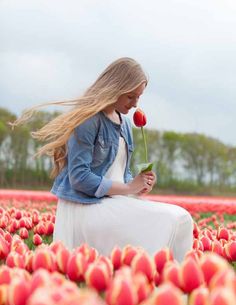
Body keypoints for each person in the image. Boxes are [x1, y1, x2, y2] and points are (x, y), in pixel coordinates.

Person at [16, 57, 193, 261]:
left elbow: (120, 173)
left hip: (115, 202)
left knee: (182, 218)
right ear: (114, 89)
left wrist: (138, 184)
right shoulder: (88, 121)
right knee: (168, 219)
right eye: (130, 96)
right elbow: (79, 178)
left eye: (139, 97)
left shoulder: (125, 124)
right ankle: (145, 276)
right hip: (86, 206)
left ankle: (172, 283)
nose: (135, 104)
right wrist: (128, 189)